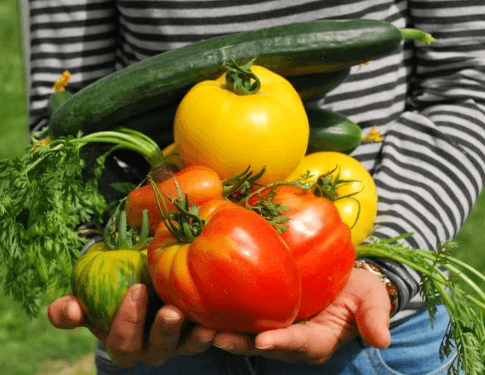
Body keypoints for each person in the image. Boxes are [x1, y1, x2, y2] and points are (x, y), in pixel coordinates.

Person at [24, 0, 485, 374]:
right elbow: (66, 128)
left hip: (374, 326)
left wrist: (381, 268)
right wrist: (105, 264)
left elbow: (467, 88)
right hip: (160, 312)